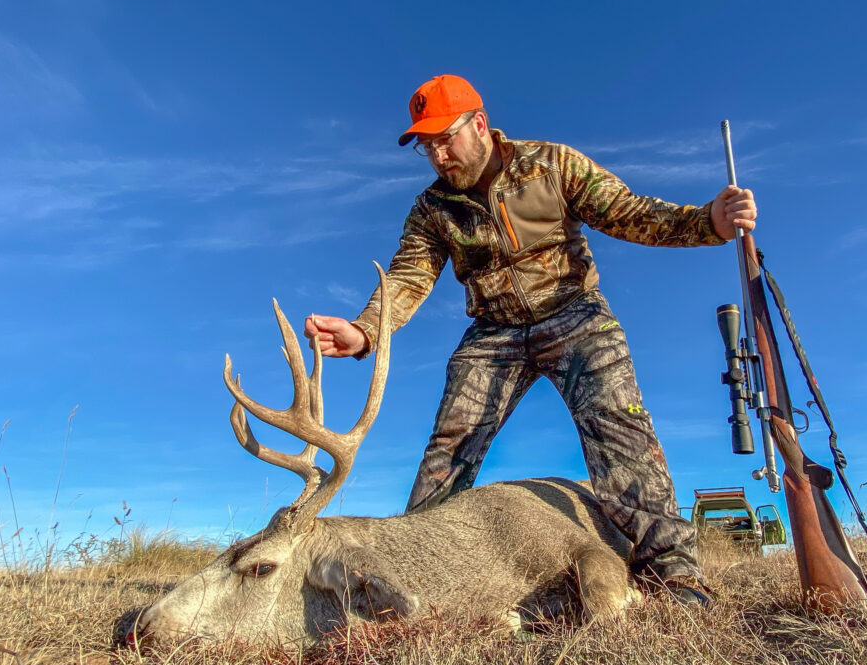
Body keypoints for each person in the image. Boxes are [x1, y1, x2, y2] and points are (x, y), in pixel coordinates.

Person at [304, 75, 757, 605]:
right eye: (427, 145)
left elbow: (630, 213)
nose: (438, 153)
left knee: (621, 429)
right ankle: (411, 583)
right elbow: (408, 277)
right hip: (493, 333)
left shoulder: (552, 163)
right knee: (448, 449)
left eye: (446, 137)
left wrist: (708, 222)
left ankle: (674, 576)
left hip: (576, 316)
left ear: (479, 124)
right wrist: (365, 331)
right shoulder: (432, 210)